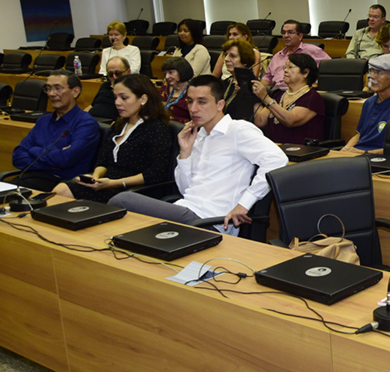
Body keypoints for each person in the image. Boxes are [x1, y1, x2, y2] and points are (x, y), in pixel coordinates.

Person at [110, 75, 288, 234]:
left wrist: (244, 204)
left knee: (122, 200)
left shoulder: (238, 129)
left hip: (211, 222)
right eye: (189, 101)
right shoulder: (199, 136)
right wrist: (185, 153)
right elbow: (186, 190)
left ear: (220, 104)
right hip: (186, 211)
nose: (193, 109)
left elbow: (277, 159)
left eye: (202, 102)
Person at [53, 74, 172, 203]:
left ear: (143, 99)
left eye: (124, 98)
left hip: (134, 191)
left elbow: (156, 173)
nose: (117, 103)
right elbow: (103, 162)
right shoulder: (119, 125)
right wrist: (95, 177)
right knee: (61, 190)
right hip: (107, 184)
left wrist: (114, 183)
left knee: (63, 192)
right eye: (115, 97)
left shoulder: (157, 129)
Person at [11, 71, 100, 190]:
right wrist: (51, 162)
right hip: (32, 177)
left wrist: (33, 151)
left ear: (75, 91)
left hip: (62, 185)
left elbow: (65, 160)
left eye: (58, 88)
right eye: (48, 89)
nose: (52, 94)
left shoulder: (86, 124)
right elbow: (17, 156)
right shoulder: (43, 121)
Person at [341, 54, 390, 154]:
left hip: (376, 160)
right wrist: (346, 149)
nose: (372, 76)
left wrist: (363, 153)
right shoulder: (369, 103)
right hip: (358, 155)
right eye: (372, 71)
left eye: (379, 73)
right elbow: (359, 134)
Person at [252, 53, 325, 144]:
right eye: (285, 67)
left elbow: (290, 120)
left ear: (305, 73)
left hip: (300, 153)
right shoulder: (279, 96)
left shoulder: (312, 98)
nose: (285, 70)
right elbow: (260, 121)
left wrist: (266, 98)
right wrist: (251, 94)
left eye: (290, 67)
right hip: (274, 150)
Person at [261, 19, 329, 91]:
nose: (286, 36)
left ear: (300, 36)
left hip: (300, 93)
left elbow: (330, 69)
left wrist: (315, 83)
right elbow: (267, 78)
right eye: (284, 33)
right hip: (276, 93)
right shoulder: (277, 56)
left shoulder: (312, 51)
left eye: (290, 32)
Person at [221, 39, 258, 122]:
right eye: (226, 55)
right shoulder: (225, 82)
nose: (226, 59)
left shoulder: (253, 86)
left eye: (232, 56)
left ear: (244, 61)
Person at [86, 56, 130, 121]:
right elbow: (91, 106)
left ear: (128, 72)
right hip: (91, 121)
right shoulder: (105, 85)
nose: (114, 77)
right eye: (110, 74)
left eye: (118, 73)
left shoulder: (132, 90)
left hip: (109, 125)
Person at [160, 57, 194, 124]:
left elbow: (198, 119)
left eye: (170, 73)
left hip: (184, 128)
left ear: (182, 72)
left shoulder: (193, 90)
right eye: (165, 73)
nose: (167, 77)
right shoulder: (165, 86)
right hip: (162, 125)